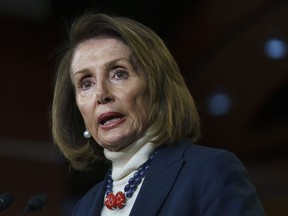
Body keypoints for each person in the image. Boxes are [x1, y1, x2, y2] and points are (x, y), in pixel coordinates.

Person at [52, 12, 265, 216]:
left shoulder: (210, 172)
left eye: (119, 73)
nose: (101, 94)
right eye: (86, 83)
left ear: (157, 88)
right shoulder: (84, 207)